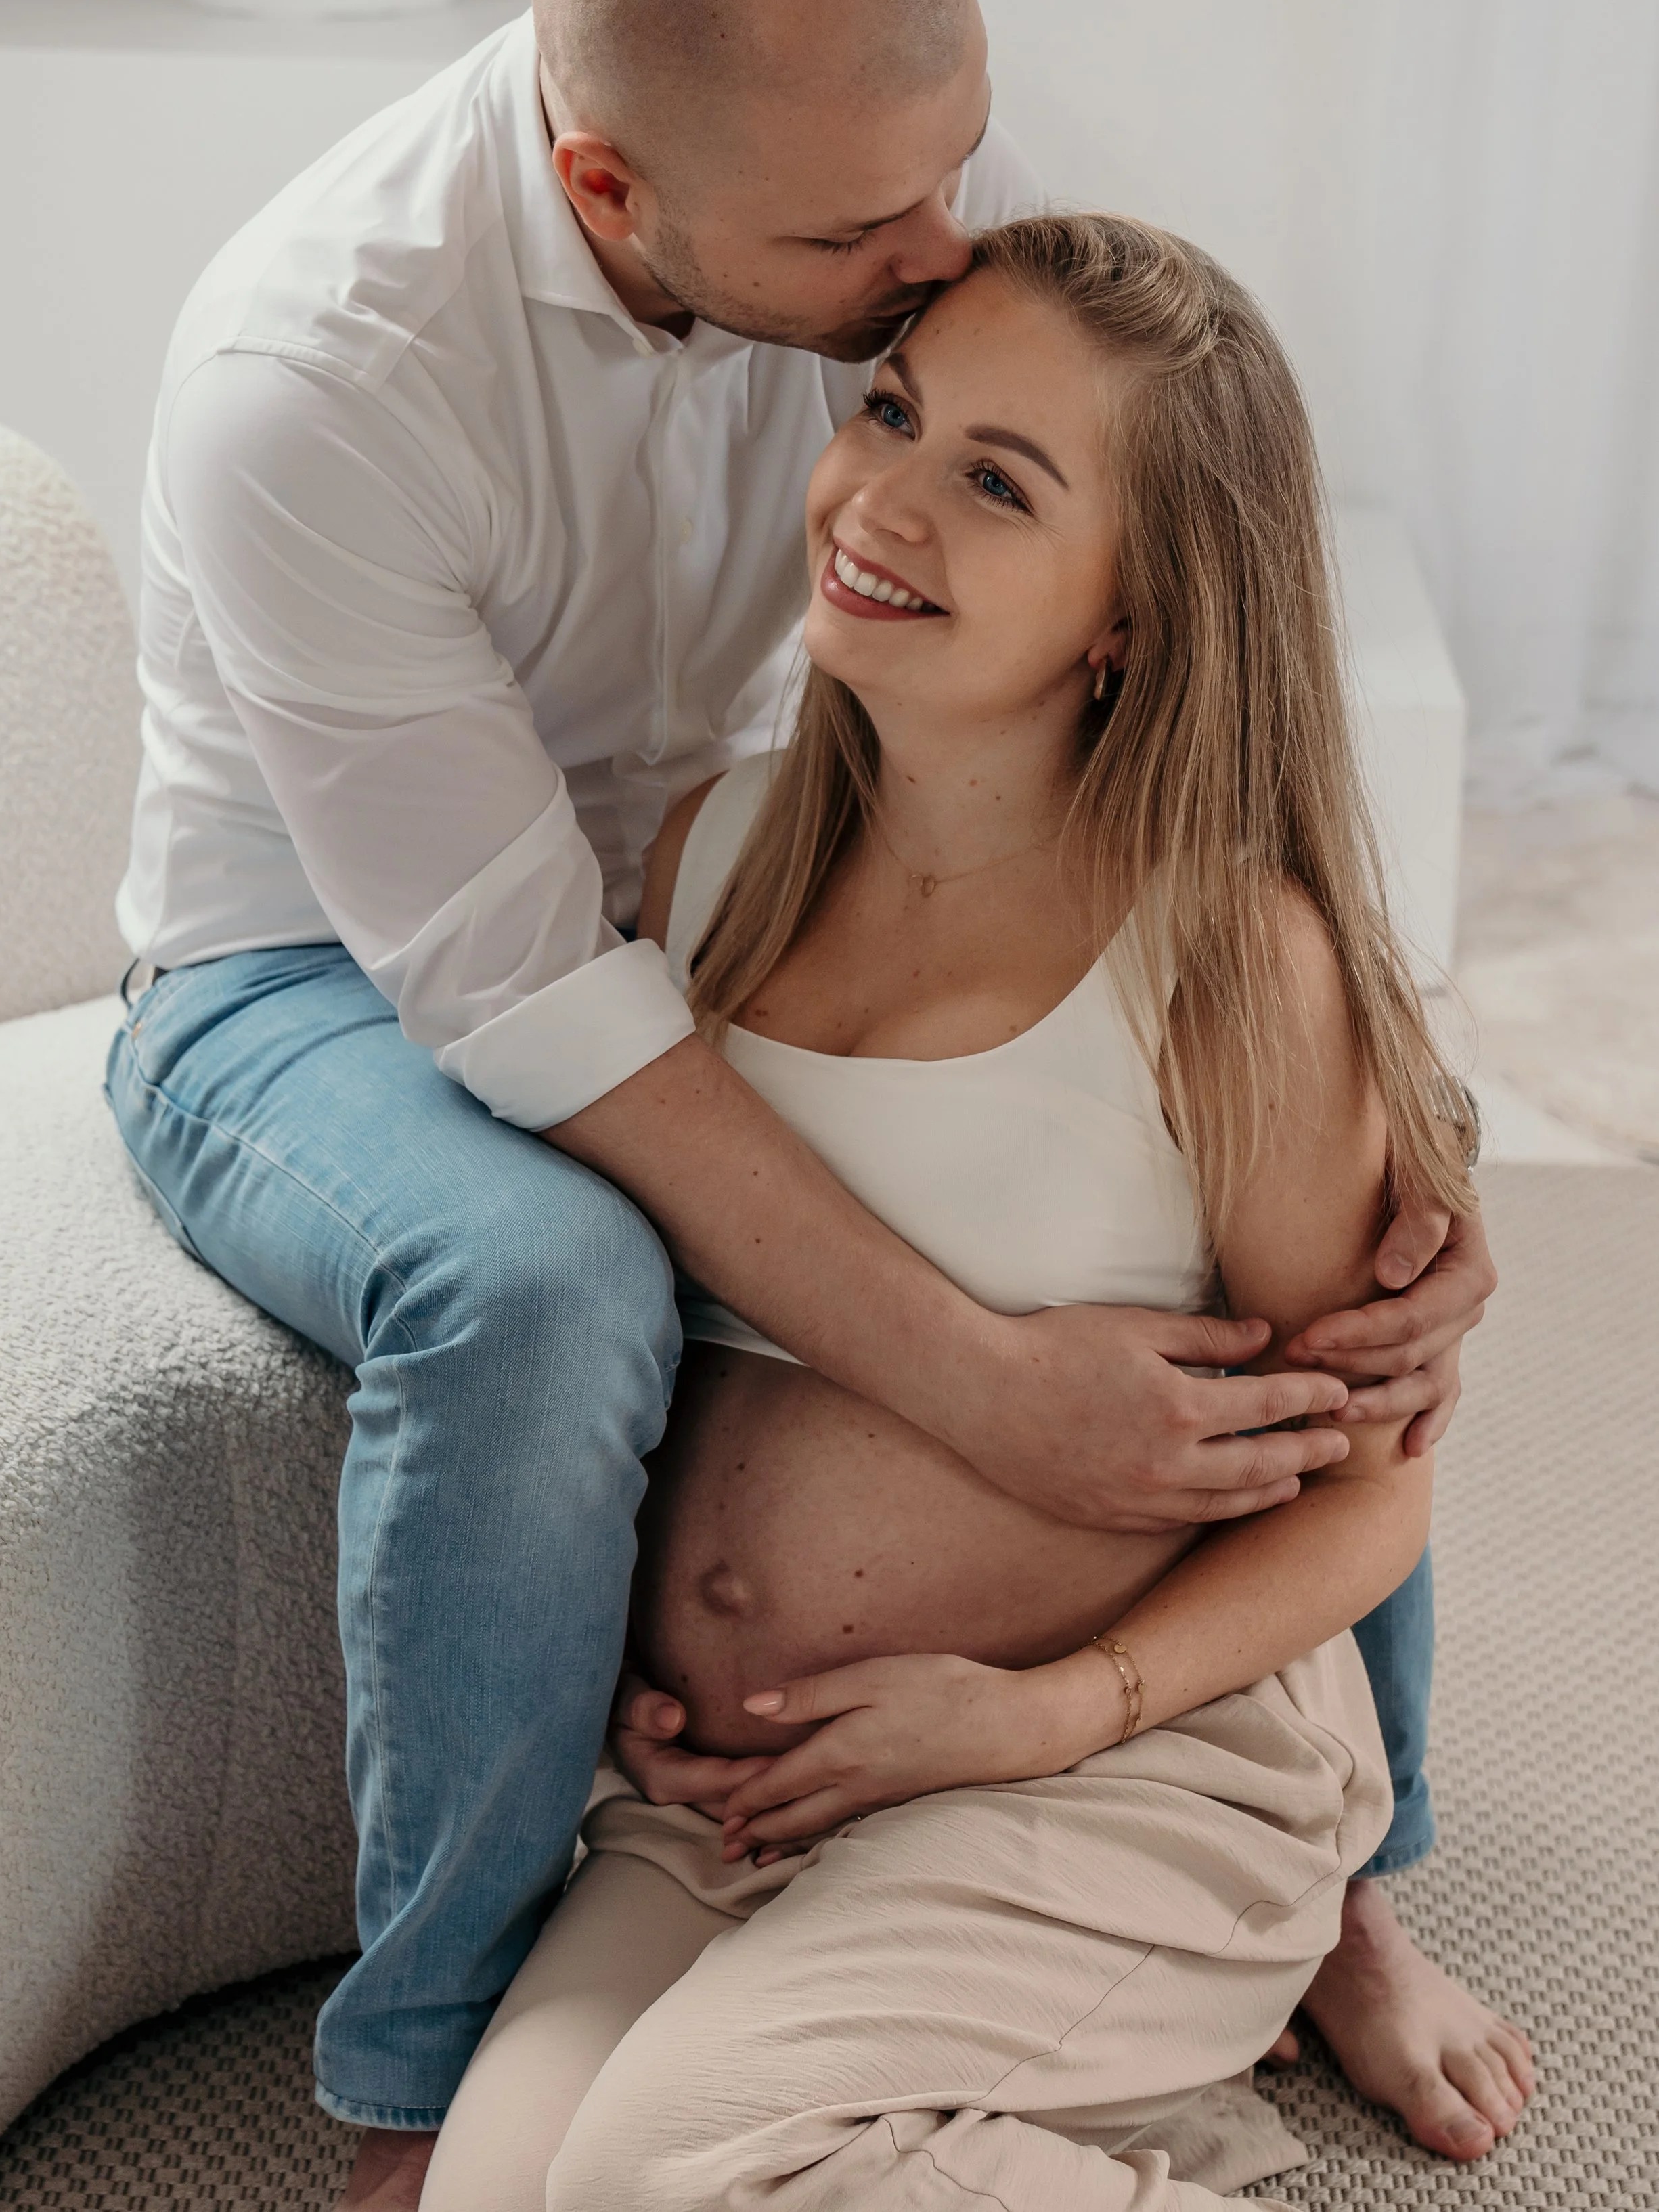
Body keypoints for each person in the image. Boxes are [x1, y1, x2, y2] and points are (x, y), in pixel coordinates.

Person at [102, 0, 1509, 2210]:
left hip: (699, 894)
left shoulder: (870, 202)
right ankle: (419, 2071)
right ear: (613, 192)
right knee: (536, 1277)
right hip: (332, 948)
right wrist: (981, 1387)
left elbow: (1154, 555)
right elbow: (534, 985)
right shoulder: (312, 377)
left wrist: (1410, 1151)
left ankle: (1328, 1899)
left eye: (949, 176)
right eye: (865, 256)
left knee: (1314, 1296)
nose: (929, 259)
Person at [422, 215, 1530, 2212]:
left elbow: (1369, 1495)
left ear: (1130, 612)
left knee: (644, 2184)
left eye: (995, 481)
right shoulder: (714, 855)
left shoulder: (1219, 967)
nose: (880, 496)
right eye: (892, 412)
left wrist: (1031, 1714)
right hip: (728, 1802)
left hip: (1117, 1767)